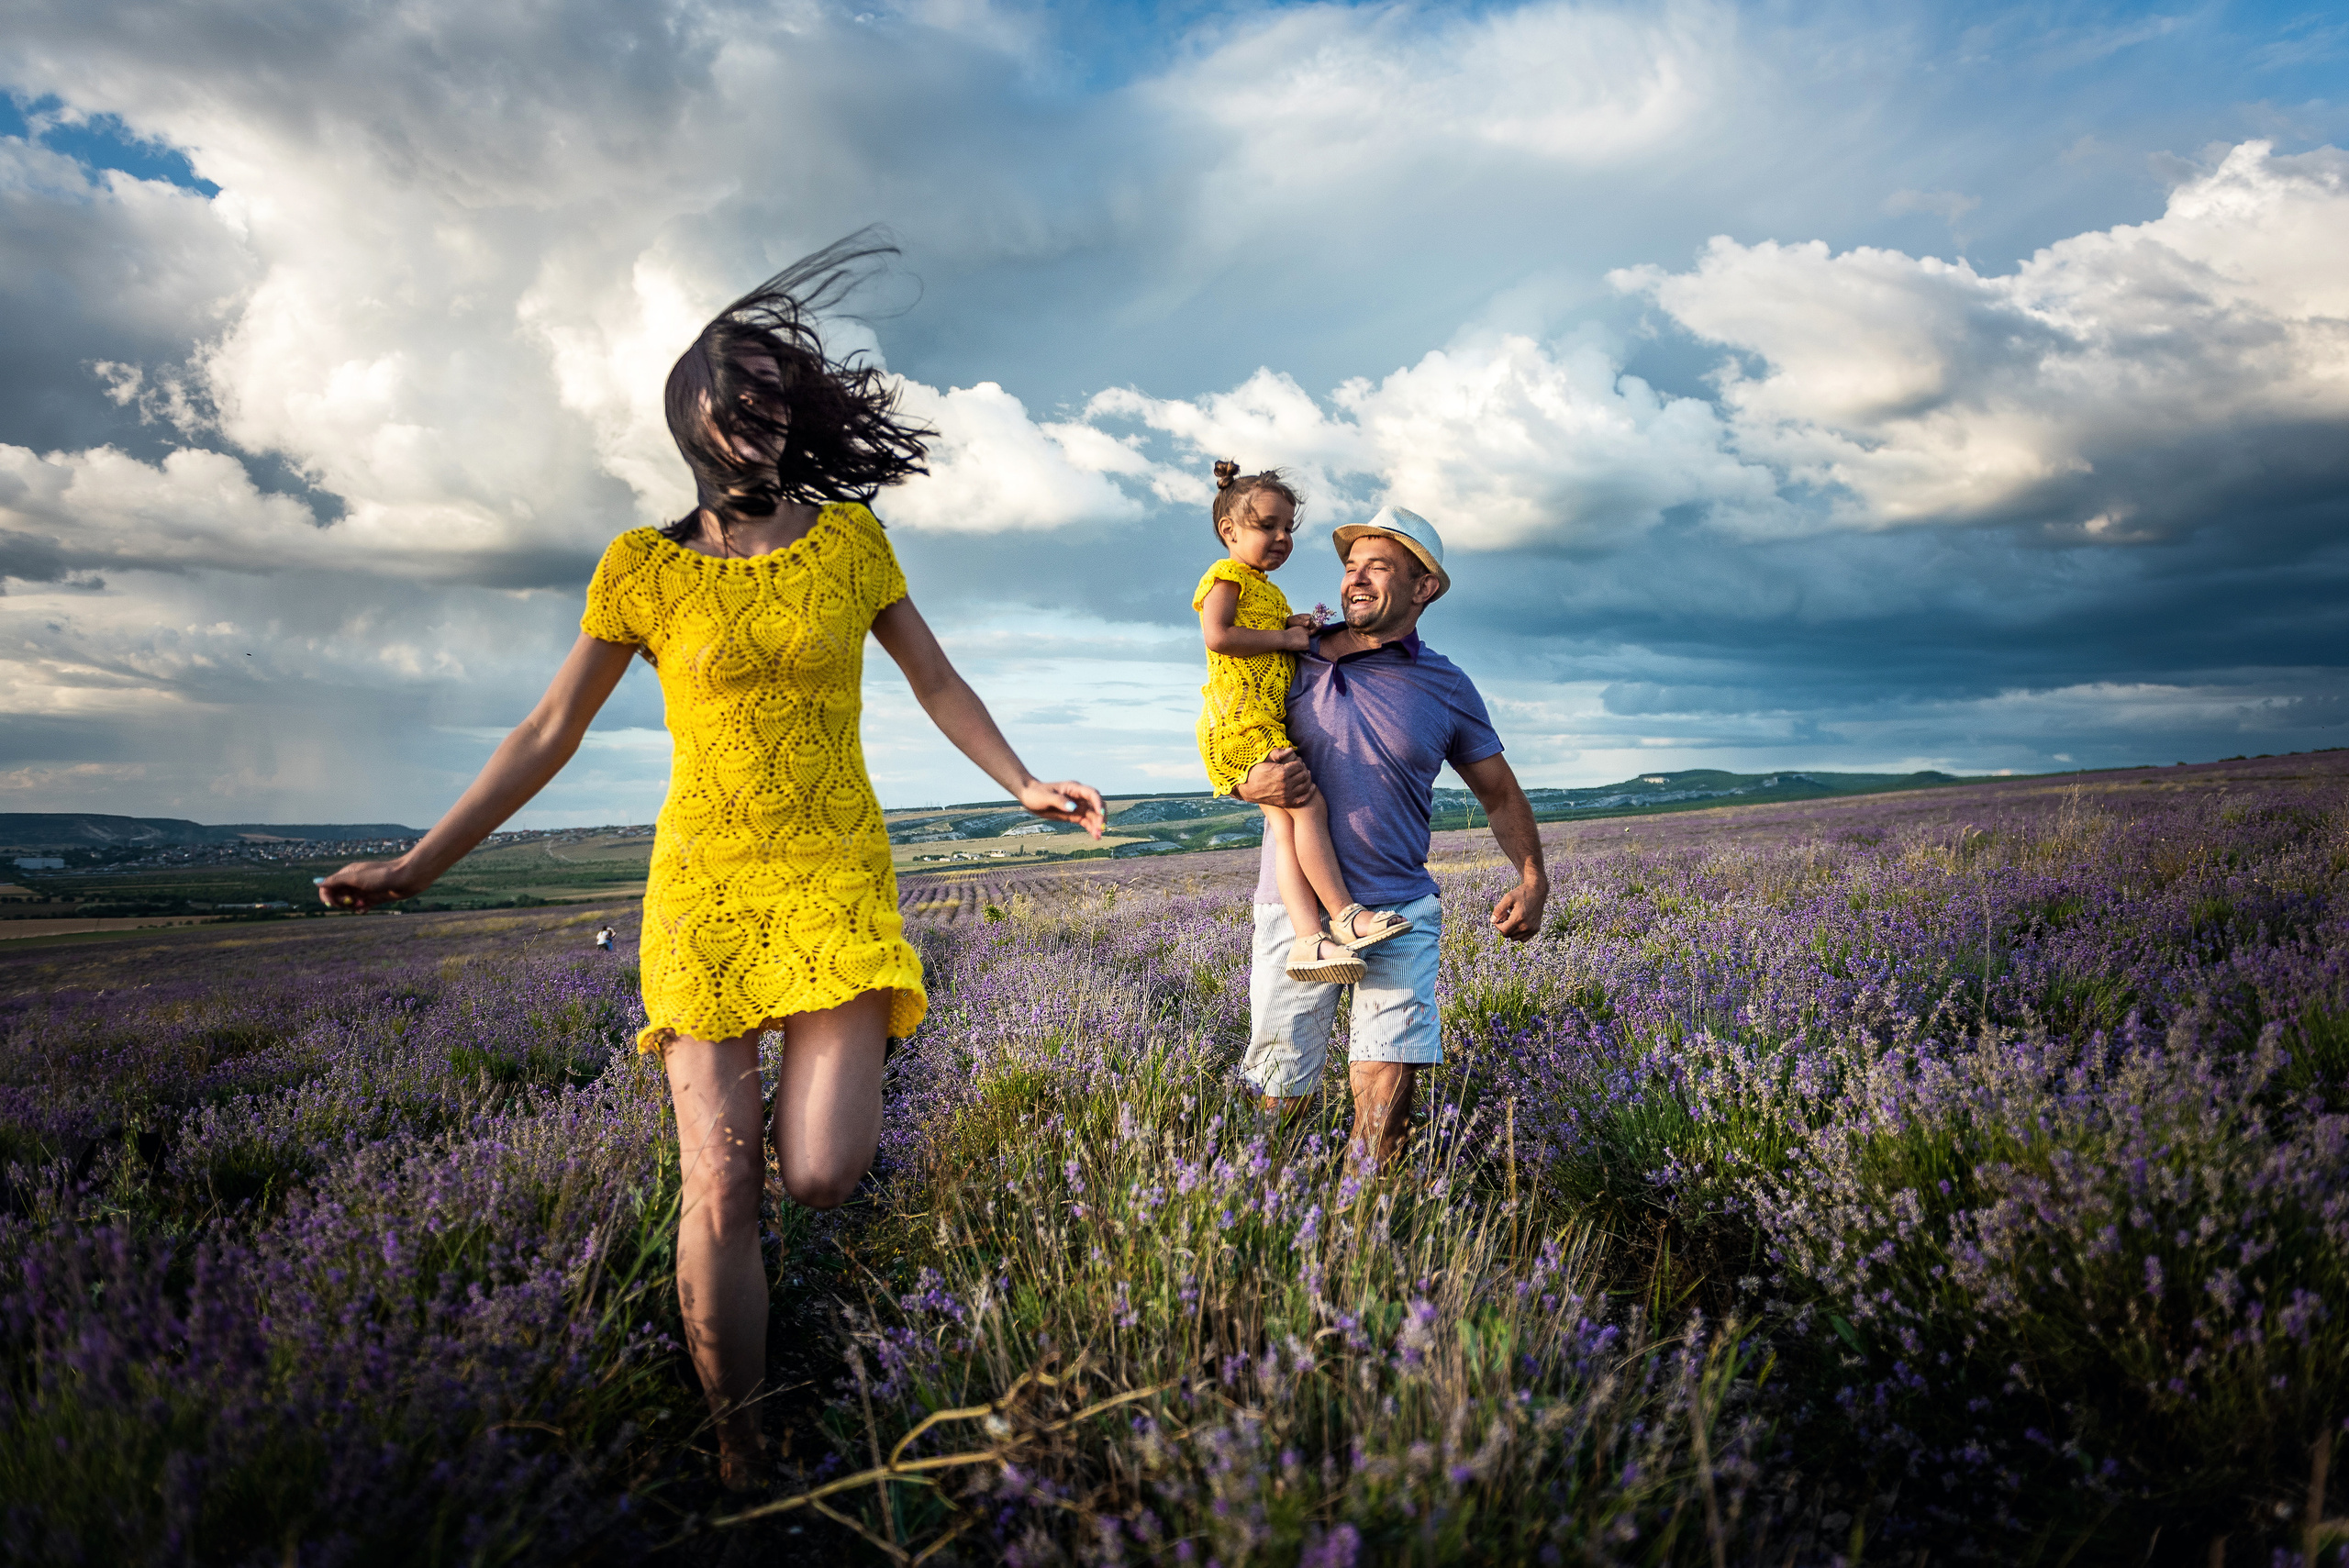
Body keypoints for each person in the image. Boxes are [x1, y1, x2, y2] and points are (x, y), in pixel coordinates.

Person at [316, 231, 1106, 1490]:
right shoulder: (639, 567)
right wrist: (420, 863)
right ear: (686, 411)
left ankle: (792, 1321)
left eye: (777, 408)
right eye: (740, 406)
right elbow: (545, 730)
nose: (763, 428)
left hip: (835, 875)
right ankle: (741, 1439)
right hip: (702, 893)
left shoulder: (850, 543)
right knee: (721, 1187)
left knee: (824, 1171)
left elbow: (937, 679)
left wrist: (1022, 781)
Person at [1236, 506, 1548, 1164]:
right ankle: (1266, 1222)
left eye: (1377, 568)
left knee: (1383, 1100)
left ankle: (1366, 1236)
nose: (1356, 580)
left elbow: (1499, 792)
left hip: (1399, 912)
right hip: (1296, 916)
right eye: (1351, 568)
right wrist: (1247, 787)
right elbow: (1228, 738)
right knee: (1280, 1095)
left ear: (1423, 587)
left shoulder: (1446, 685)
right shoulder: (1290, 656)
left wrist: (1531, 875)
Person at [1193, 462, 1411, 984]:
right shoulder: (1225, 577)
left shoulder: (1266, 591)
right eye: (1268, 526)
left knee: (1287, 824)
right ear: (1230, 531)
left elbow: (1260, 629)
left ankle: (1311, 940)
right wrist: (1288, 639)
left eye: (1288, 528)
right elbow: (1218, 635)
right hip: (1241, 721)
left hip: (1258, 719)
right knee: (1304, 808)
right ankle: (1342, 918)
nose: (1282, 538)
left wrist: (1290, 623)